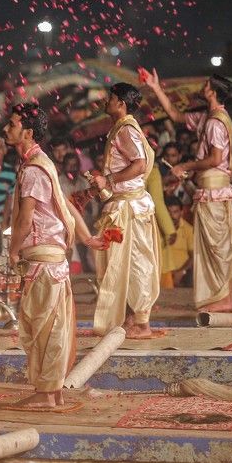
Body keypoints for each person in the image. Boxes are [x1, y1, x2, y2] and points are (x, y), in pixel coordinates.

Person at [4, 104, 100, 407]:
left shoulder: (34, 169)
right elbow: (65, 204)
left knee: (42, 325)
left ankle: (46, 393)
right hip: (50, 256)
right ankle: (51, 392)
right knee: (50, 323)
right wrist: (86, 237)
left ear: (27, 133)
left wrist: (12, 251)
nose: (6, 129)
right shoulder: (41, 163)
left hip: (43, 256)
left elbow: (25, 219)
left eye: (12, 124)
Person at [145, 71, 232, 312]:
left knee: (217, 245)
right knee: (218, 243)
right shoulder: (209, 117)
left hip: (214, 190)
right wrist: (156, 88)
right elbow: (175, 115)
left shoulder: (214, 122)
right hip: (213, 188)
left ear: (212, 92)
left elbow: (215, 159)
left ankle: (224, 298)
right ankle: (223, 297)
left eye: (206, 84)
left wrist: (185, 166)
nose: (203, 86)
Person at [88, 83, 162, 338]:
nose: (105, 101)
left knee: (136, 262)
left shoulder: (126, 130)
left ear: (120, 103)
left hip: (130, 208)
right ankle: (130, 318)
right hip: (123, 205)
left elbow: (139, 165)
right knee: (121, 264)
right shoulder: (121, 128)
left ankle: (141, 323)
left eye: (110, 98)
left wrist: (108, 180)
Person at [161, 196, 194, 288]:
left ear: (181, 212)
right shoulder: (158, 229)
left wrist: (181, 272)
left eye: (175, 212)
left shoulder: (188, 229)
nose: (172, 216)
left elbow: (193, 256)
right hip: (163, 272)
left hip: (182, 274)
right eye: (168, 212)